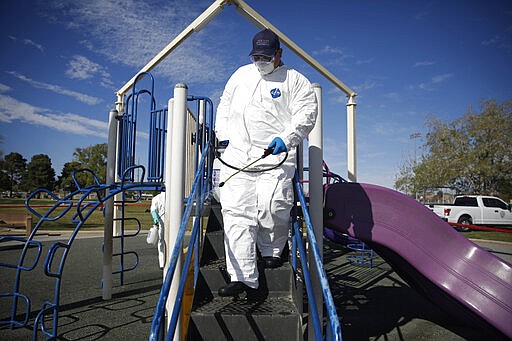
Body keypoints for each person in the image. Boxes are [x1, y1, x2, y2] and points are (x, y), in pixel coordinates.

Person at [215, 28, 318, 297]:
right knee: (236, 213)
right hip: (238, 158)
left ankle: (272, 250)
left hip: (275, 157)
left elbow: (307, 113)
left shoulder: (295, 81)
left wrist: (288, 137)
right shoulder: (240, 75)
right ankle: (242, 275)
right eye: (256, 56)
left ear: (279, 54)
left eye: (266, 56)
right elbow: (224, 106)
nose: (260, 61)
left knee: (272, 205)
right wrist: (223, 137)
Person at [150, 192, 166, 269]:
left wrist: (155, 219)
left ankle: (162, 263)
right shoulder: (173, 195)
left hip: (161, 221)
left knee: (161, 241)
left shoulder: (156, 198)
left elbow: (153, 210)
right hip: (172, 220)